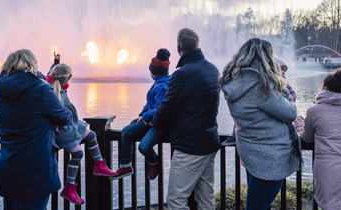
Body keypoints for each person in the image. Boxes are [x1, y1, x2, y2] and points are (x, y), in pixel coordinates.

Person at [221, 38, 301, 210]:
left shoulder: (235, 83)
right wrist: (281, 84)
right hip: (269, 161)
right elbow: (290, 113)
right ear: (265, 59)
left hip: (250, 154)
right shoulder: (261, 87)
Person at [0, 49, 73, 210]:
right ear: (31, 66)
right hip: (34, 174)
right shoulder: (41, 91)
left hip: (6, 170)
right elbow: (65, 118)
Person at [152, 28, 220, 210]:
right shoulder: (213, 69)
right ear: (198, 46)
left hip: (190, 146)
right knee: (206, 198)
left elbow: (165, 111)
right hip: (210, 142)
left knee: (176, 200)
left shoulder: (182, 75)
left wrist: (150, 120)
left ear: (178, 48)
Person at [295, 67, 341, 210]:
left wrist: (299, 124)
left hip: (328, 169)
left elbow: (307, 138)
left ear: (325, 88)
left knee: (329, 204)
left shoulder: (314, 111)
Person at [47, 63, 117, 205]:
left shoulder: (55, 85)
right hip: (62, 131)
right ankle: (69, 188)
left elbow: (51, 72)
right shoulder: (52, 92)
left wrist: (55, 62)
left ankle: (99, 165)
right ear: (65, 79)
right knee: (78, 154)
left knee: (91, 135)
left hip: (71, 125)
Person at [111, 48, 171, 180]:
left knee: (128, 133)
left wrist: (145, 117)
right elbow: (149, 103)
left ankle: (132, 164)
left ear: (154, 72)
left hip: (158, 123)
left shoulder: (162, 86)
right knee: (130, 132)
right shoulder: (159, 84)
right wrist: (141, 115)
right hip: (151, 120)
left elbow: (160, 108)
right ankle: (128, 165)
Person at [221, 55, 296, 146]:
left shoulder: (284, 84)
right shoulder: (263, 85)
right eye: (281, 69)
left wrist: (284, 89)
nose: (283, 72)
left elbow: (292, 95)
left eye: (284, 70)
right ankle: (234, 135)